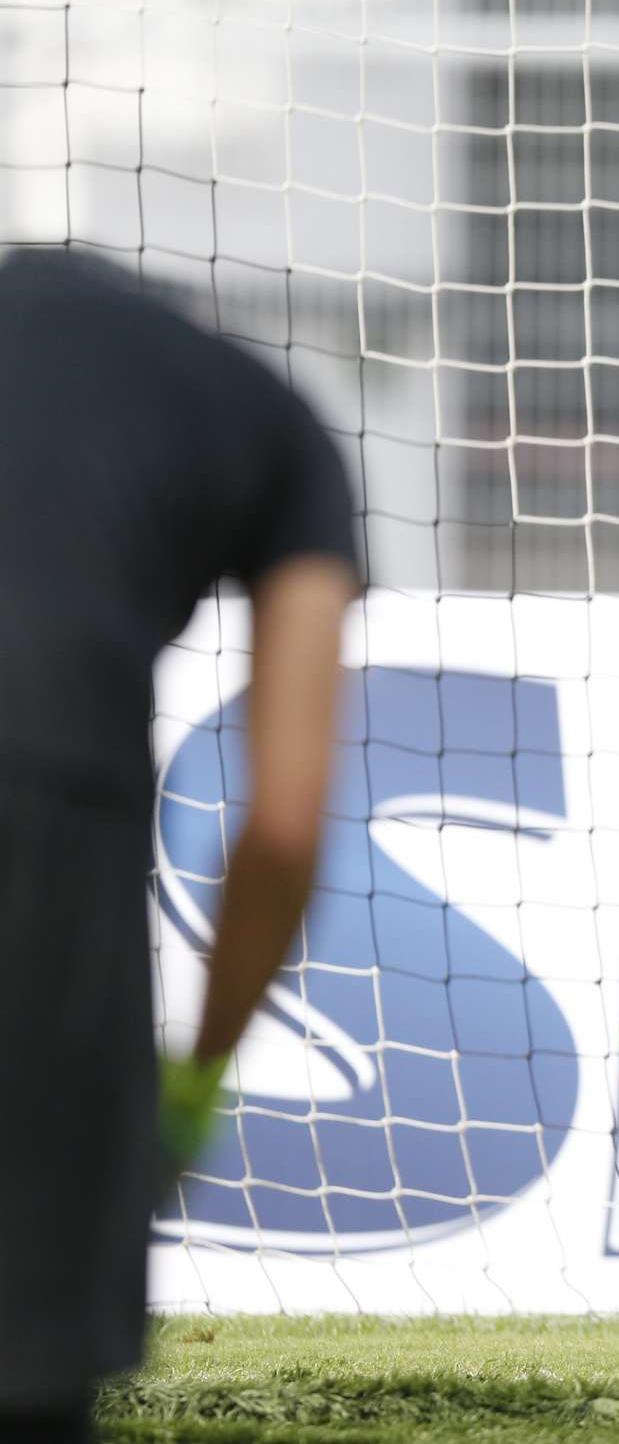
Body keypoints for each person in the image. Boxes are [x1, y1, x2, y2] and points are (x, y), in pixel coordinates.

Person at [0, 251, 358, 1442]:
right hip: (50, 823)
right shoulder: (263, 414)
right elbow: (286, 820)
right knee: (27, 1370)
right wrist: (194, 1086)